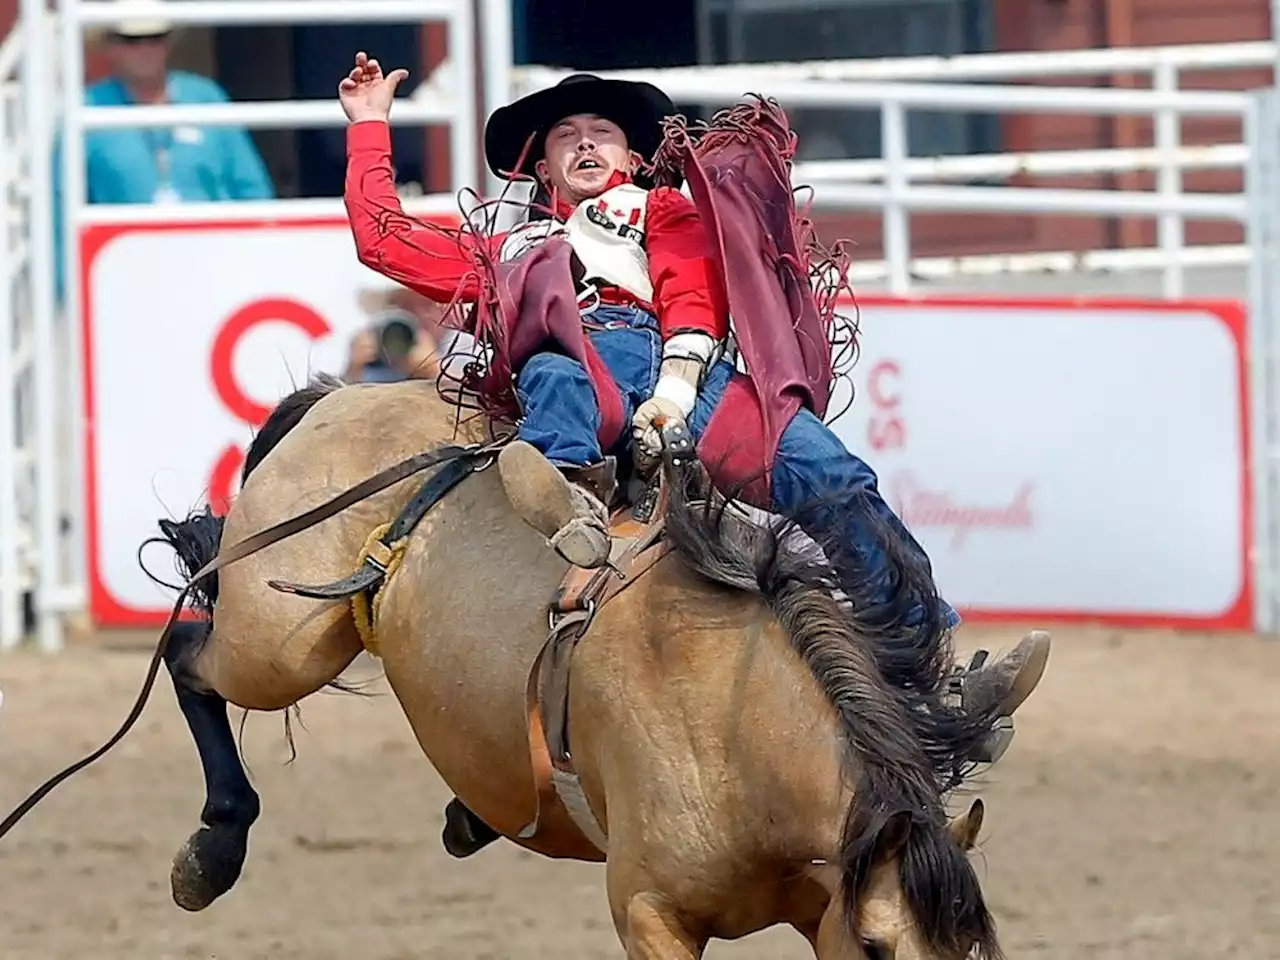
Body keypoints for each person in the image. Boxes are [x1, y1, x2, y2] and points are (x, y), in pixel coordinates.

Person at [337, 53, 1050, 856]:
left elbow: (693, 298)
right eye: (565, 135)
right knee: (556, 374)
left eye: (600, 132)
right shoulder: (508, 249)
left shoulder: (662, 212)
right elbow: (383, 240)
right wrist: (369, 127)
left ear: (632, 156)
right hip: (574, 362)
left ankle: (936, 670)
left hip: (687, 370)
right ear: (539, 164)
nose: (583, 143)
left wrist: (672, 397)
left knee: (832, 474)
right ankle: (565, 490)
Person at [53, 6, 275, 296]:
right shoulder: (87, 109)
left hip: (215, 263)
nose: (145, 49)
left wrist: (260, 262)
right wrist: (68, 289)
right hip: (127, 275)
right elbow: (59, 206)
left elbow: (252, 189)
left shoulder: (206, 97)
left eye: (155, 37)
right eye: (131, 40)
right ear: (110, 46)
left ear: (168, 42)